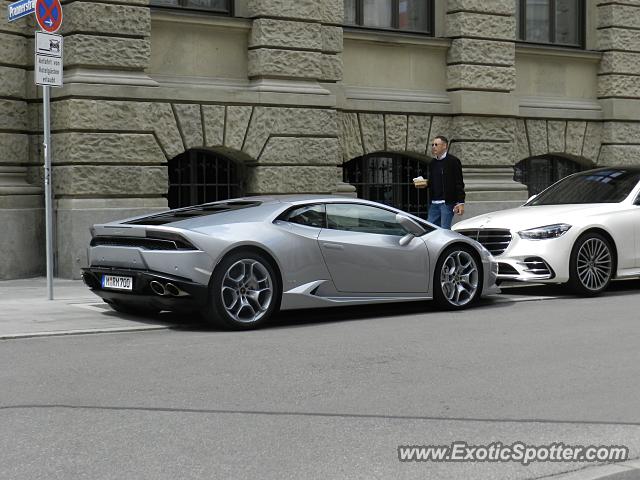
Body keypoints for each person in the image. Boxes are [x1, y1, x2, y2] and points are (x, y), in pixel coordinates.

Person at [422, 135, 465, 229]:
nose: (433, 147)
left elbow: (459, 182)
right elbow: (433, 181)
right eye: (432, 145)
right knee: (430, 228)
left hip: (447, 203)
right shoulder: (433, 163)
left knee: (444, 229)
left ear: (444, 146)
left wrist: (460, 202)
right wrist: (425, 184)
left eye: (436, 144)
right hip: (434, 202)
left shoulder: (453, 161)